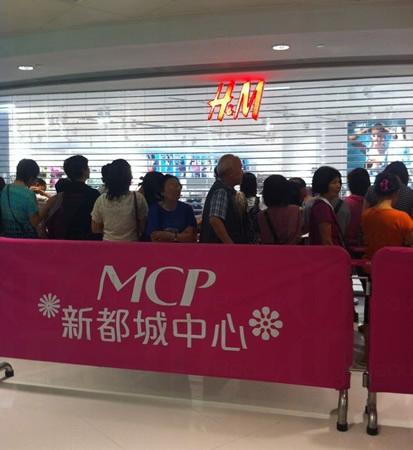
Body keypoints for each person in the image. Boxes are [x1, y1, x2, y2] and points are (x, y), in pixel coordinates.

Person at [44, 155, 100, 240]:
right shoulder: (93, 194)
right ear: (84, 171)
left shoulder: (60, 195)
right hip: (87, 241)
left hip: (62, 240)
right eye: (87, 167)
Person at [91, 159, 148, 241]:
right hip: (132, 244)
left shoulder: (101, 200)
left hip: (108, 244)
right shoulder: (138, 198)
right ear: (129, 178)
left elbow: (95, 228)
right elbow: (143, 226)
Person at [200, 154, 250, 244]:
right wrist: (230, 244)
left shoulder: (224, 190)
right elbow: (215, 220)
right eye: (240, 168)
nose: (242, 172)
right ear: (230, 173)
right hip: (219, 249)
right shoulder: (221, 191)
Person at [362, 172, 413, 260]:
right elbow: (410, 240)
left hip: (372, 263)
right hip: (395, 262)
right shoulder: (402, 217)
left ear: (376, 193)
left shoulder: (366, 215)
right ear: (396, 193)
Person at [0, 159, 47, 238]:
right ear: (31, 178)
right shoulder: (28, 194)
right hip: (25, 239)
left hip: (7, 238)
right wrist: (47, 206)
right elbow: (34, 222)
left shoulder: (5, 189)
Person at [145, 175, 197, 243]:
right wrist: (180, 236)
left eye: (179, 186)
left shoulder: (187, 209)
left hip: (183, 248)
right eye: (172, 186)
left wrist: (167, 235)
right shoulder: (154, 209)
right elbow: (154, 237)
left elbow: (191, 237)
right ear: (162, 192)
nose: (178, 189)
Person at [258, 175, 303, 244]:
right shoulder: (296, 210)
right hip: (292, 249)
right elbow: (298, 236)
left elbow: (264, 238)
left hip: (270, 250)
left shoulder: (261, 215)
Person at [308, 166, 345, 246]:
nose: (338, 186)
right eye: (334, 183)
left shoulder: (323, 204)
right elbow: (327, 241)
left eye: (339, 182)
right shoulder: (322, 207)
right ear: (323, 184)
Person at [344, 168, 371, 248]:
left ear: (350, 185)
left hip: (347, 247)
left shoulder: (345, 204)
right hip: (369, 247)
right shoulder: (374, 204)